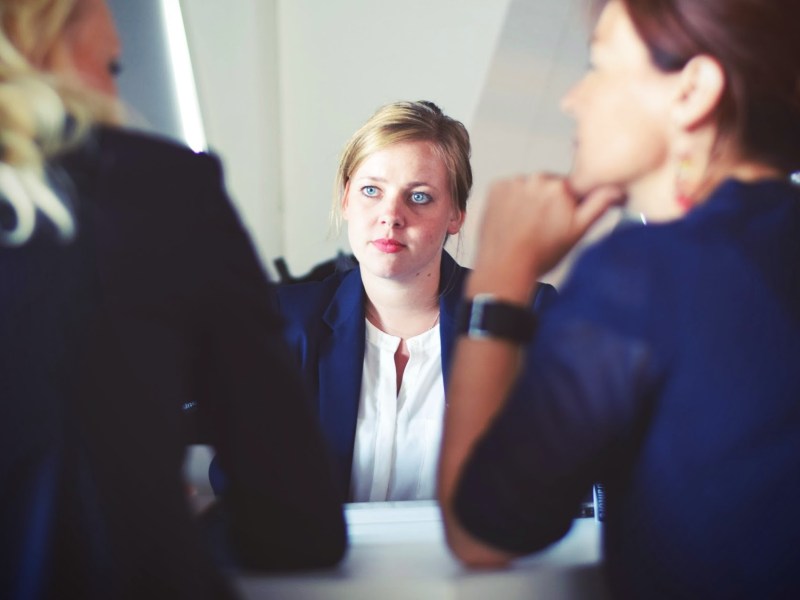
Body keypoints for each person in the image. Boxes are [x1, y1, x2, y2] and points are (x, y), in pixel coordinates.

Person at [438, 0, 800, 598]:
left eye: (598, 66)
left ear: (692, 90)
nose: (571, 99)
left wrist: (502, 273)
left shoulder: (645, 274)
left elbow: (482, 531)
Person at [0, 1, 346, 599]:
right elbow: (296, 521)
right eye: (113, 67)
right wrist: (155, 514)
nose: (113, 93)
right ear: (44, 37)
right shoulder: (162, 192)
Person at [275, 100, 557, 502]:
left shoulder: (524, 315)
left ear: (456, 215)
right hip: (324, 564)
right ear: (346, 200)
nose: (390, 215)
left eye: (420, 197)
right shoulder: (287, 321)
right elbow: (239, 483)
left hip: (473, 563)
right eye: (371, 190)